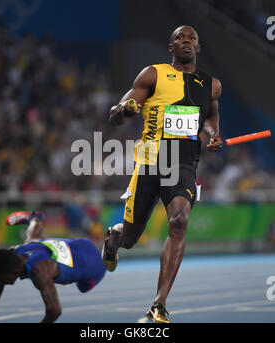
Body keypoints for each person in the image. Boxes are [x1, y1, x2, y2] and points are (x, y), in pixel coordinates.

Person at [102, 25, 223, 323]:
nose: (186, 41)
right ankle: (113, 239)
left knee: (179, 220)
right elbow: (116, 113)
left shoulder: (211, 84)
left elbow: (209, 115)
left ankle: (158, 305)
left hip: (183, 163)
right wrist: (126, 109)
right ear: (171, 47)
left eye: (191, 38)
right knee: (130, 239)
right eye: (180, 38)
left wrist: (213, 134)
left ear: (198, 47)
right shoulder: (152, 74)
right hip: (150, 161)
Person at [0, 211, 106, 323]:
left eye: (1, 278)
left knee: (83, 287)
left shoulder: (39, 271)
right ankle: (34, 218)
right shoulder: (14, 252)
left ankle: (111, 247)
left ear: (15, 271)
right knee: (33, 239)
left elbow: (55, 311)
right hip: (81, 243)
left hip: (94, 266)